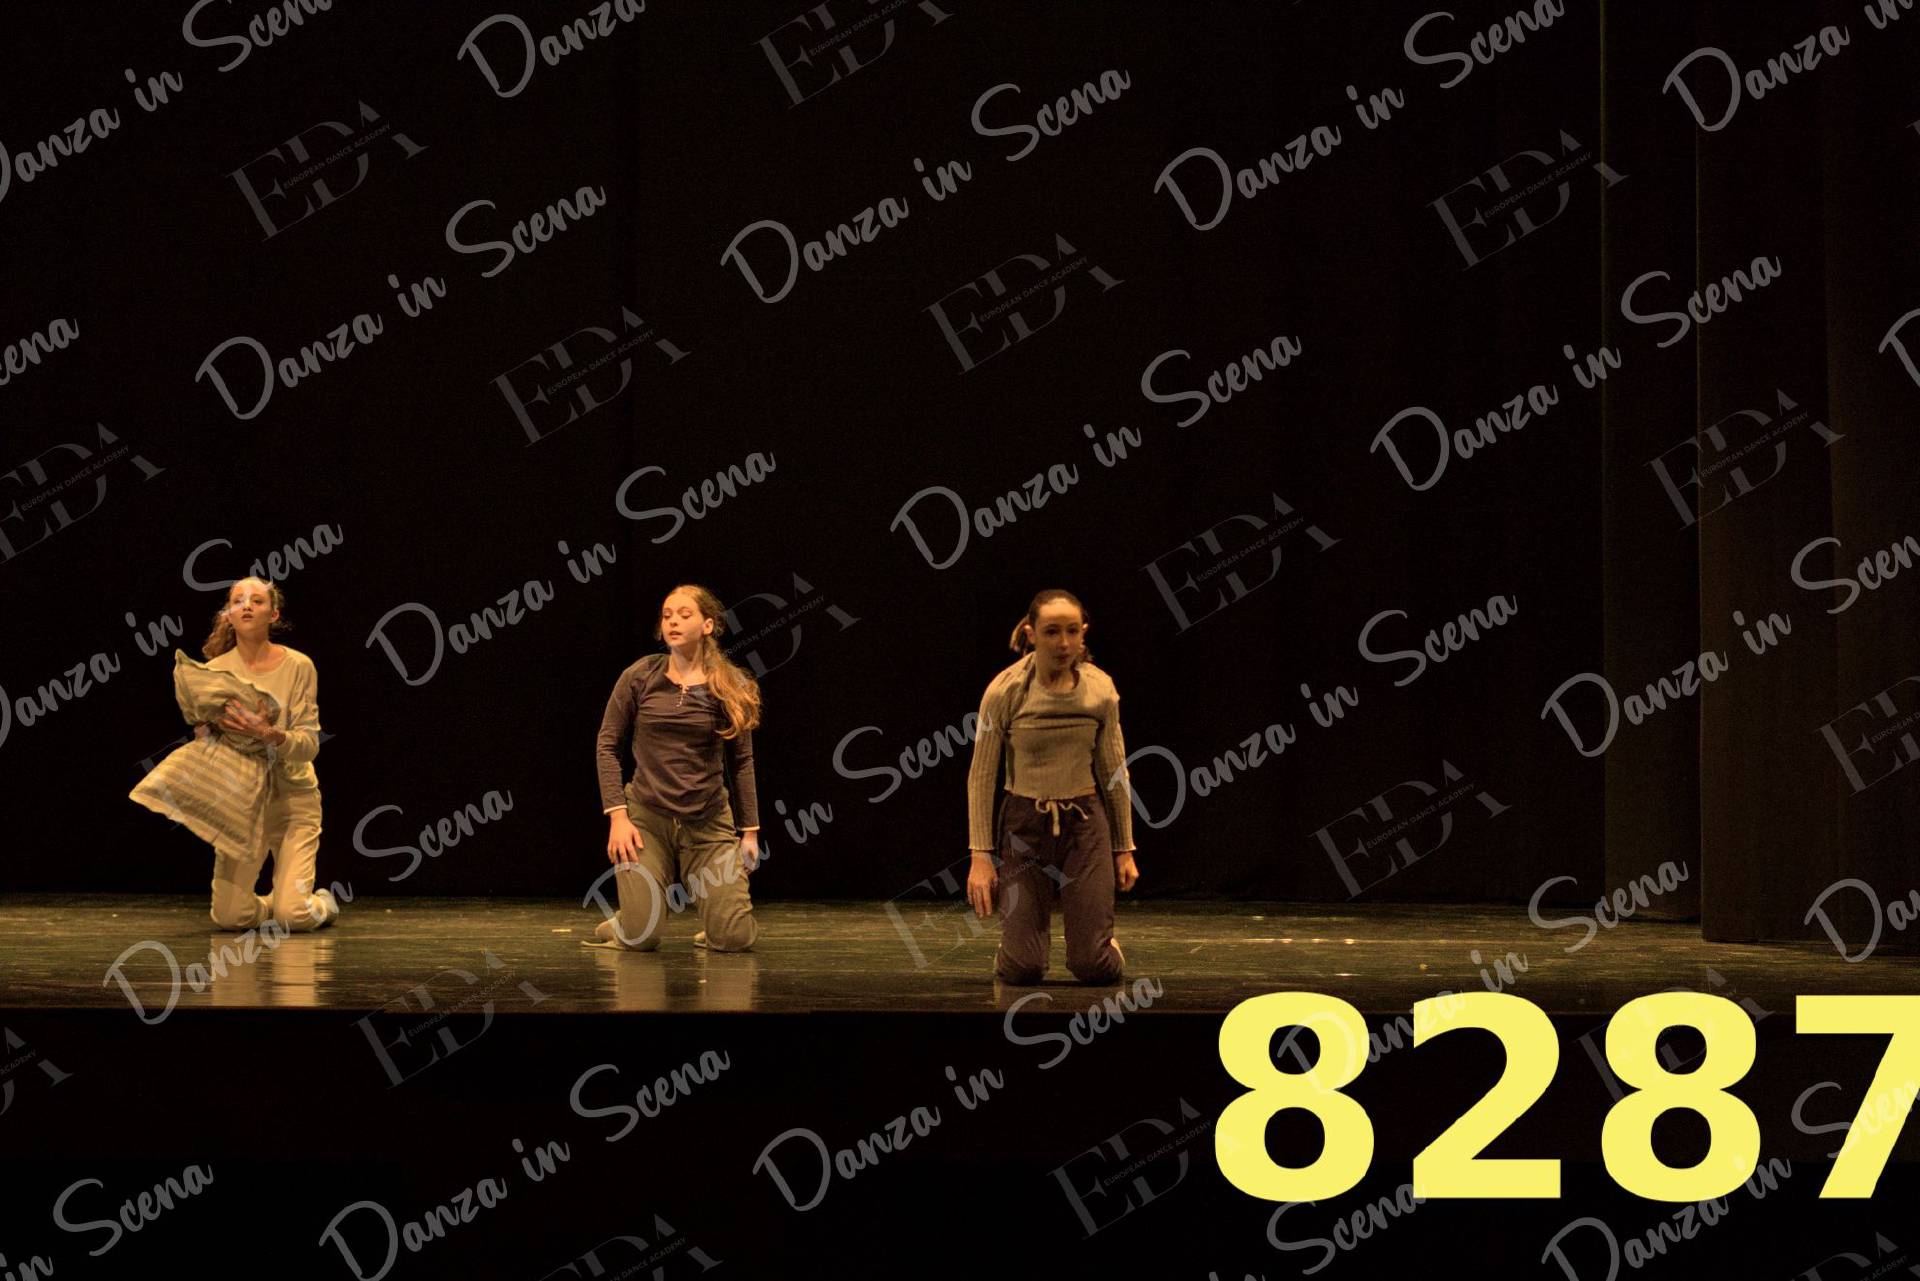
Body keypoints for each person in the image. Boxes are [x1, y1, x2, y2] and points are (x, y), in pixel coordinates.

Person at [129, 576, 339, 933]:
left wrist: (267, 733)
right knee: (230, 917)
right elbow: (208, 735)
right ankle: (280, 901)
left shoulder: (298, 666)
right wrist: (205, 737)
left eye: (257, 601)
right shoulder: (214, 672)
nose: (247, 606)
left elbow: (308, 745)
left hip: (293, 800)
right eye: (238, 600)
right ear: (228, 613)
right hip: (241, 804)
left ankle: (320, 904)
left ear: (273, 614)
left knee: (294, 918)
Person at [965, 589, 1138, 984]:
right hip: (1024, 826)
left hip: (1084, 825)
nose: (1063, 643)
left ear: (1083, 633)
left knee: (1094, 966)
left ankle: (1103, 945)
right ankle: (1014, 946)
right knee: (1022, 969)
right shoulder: (1006, 690)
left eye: (1072, 631)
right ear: (1030, 634)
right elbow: (982, 775)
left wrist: (1124, 848)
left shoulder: (1099, 690)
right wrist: (980, 856)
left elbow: (1114, 772)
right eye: (1051, 632)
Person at [587, 584, 763, 951]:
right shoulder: (640, 676)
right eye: (667, 615)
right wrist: (618, 816)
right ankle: (624, 923)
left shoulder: (728, 685)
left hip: (707, 819)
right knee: (640, 938)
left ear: (707, 625)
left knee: (734, 939)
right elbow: (607, 745)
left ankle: (719, 921)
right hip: (647, 819)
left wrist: (749, 832)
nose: (673, 622)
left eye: (684, 615)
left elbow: (742, 761)